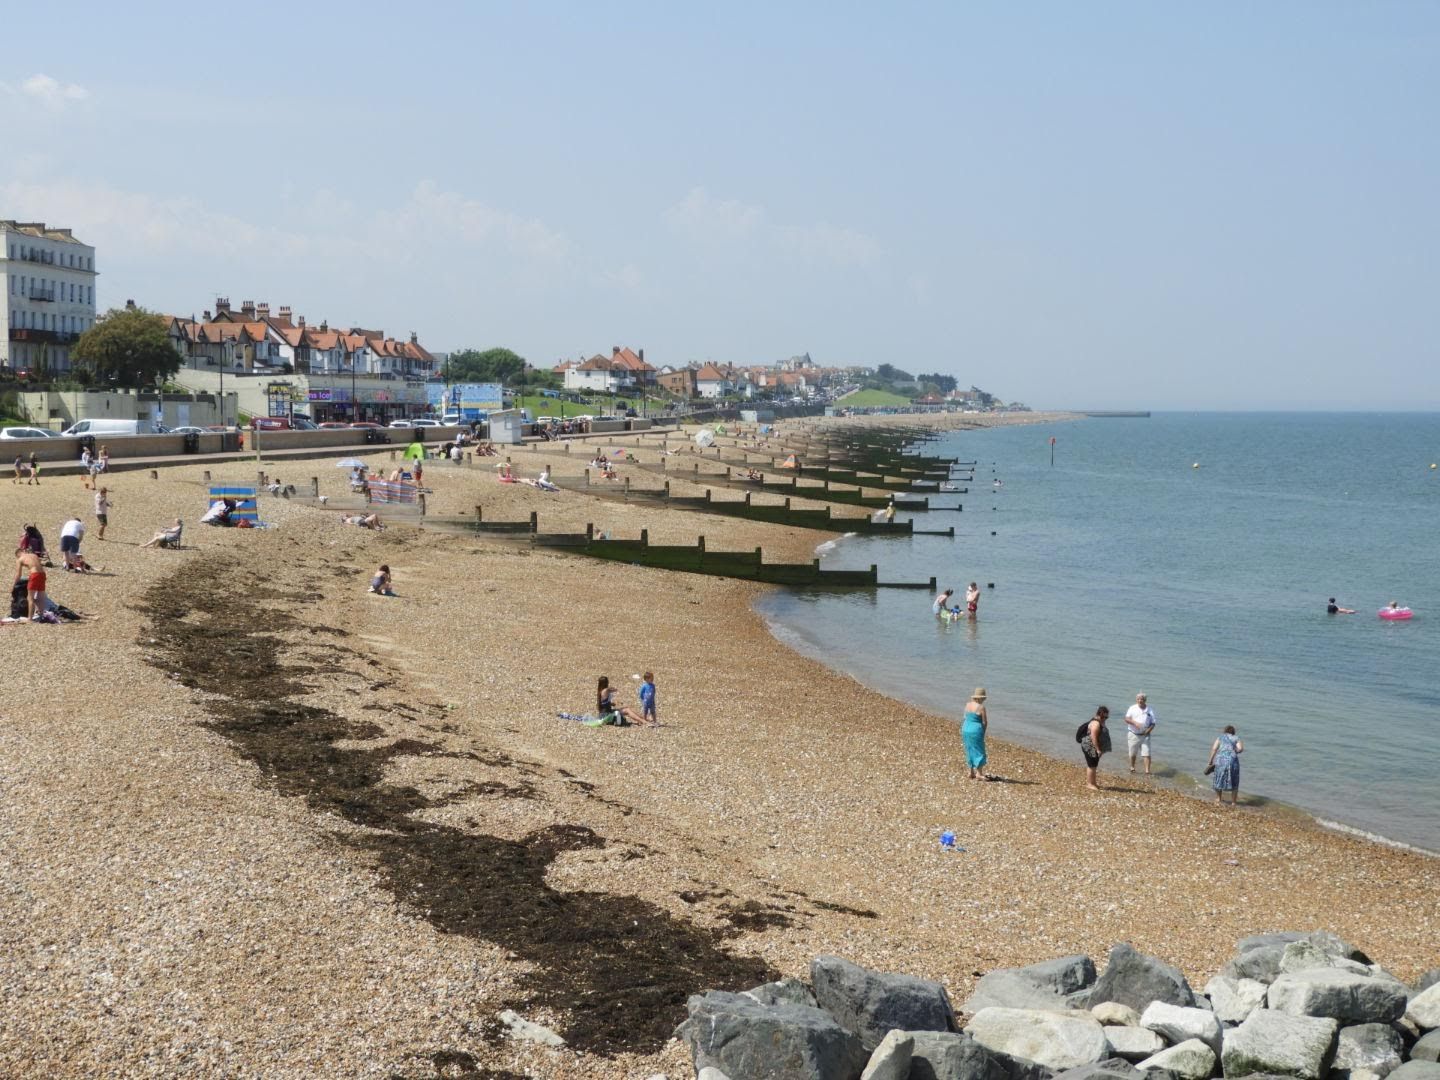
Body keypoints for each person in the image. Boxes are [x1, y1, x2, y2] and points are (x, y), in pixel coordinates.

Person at [1207, 725, 1244, 805]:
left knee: (1218, 778)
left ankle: (1219, 798)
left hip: (1221, 760)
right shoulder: (1236, 738)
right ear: (1233, 732)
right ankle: (1233, 802)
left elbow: (1214, 749)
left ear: (1225, 731)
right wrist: (1235, 751)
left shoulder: (1220, 737)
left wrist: (1210, 761)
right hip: (1232, 760)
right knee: (1234, 780)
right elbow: (1240, 749)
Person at [1124, 692, 1157, 774]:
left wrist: (1148, 731)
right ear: (1136, 700)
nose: (1140, 701)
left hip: (1145, 735)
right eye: (1138, 699)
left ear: (1145, 700)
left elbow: (1153, 723)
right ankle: (1132, 767)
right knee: (1132, 753)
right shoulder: (1132, 708)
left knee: (1147, 753)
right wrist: (1135, 723)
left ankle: (1147, 771)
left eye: (1141, 699)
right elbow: (1126, 719)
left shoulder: (1150, 710)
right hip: (1133, 734)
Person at [1080, 706, 1112, 790]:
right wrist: (1098, 749)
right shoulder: (1096, 723)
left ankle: (1093, 783)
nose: (1105, 718)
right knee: (1091, 765)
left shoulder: (1100, 721)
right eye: (1103, 716)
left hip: (1093, 746)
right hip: (1089, 746)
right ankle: (1090, 784)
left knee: (1094, 765)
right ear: (1098, 714)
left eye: (1106, 717)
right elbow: (1093, 737)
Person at [961, 687, 989, 780]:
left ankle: (971, 772)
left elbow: (965, 717)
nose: (984, 700)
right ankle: (979, 773)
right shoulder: (981, 707)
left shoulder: (967, 705)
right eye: (983, 698)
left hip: (965, 728)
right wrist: (983, 733)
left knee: (969, 749)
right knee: (979, 750)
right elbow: (985, 722)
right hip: (975, 730)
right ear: (981, 698)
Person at [15, 547, 46, 620]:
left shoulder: (20, 559)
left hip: (34, 575)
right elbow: (38, 565)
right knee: (40, 597)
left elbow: (18, 575)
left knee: (30, 598)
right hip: (42, 574)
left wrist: (13, 585)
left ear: (18, 554)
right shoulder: (34, 555)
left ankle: (30, 618)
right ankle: (41, 616)